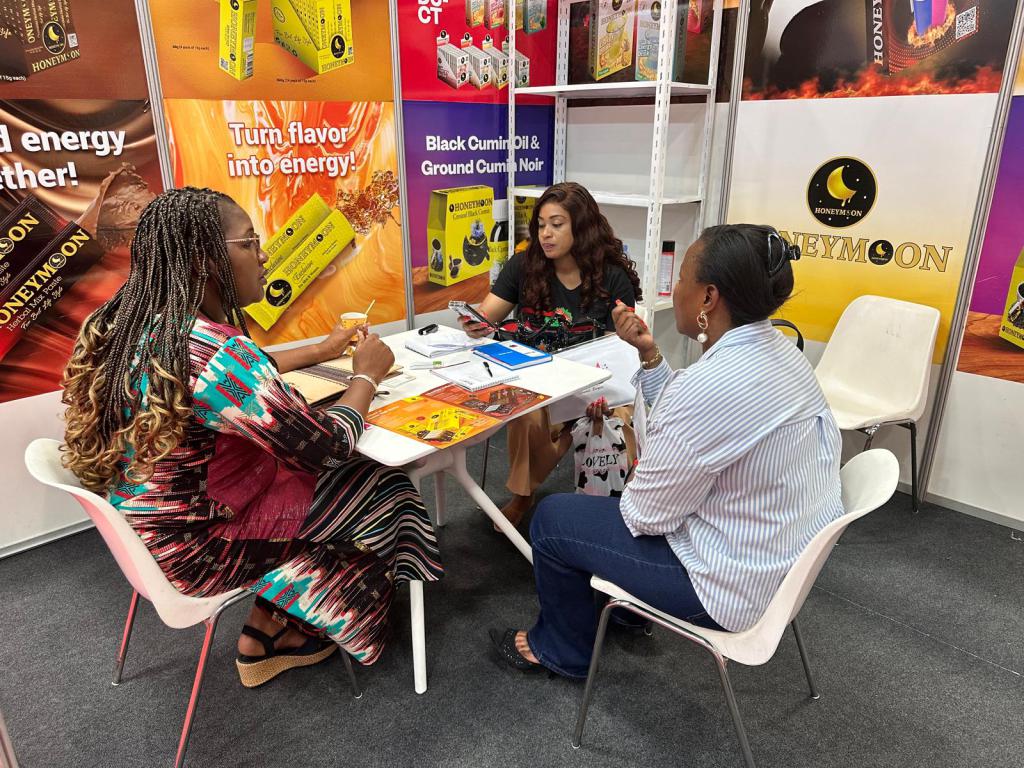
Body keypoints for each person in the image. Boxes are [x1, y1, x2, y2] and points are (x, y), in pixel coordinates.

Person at [62, 187, 443, 688]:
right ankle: (318, 613)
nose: (263, 257)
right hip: (204, 549)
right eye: (249, 243)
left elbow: (229, 374)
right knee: (384, 484)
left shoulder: (130, 323)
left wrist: (320, 351)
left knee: (316, 473)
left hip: (148, 530)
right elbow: (328, 447)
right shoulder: (214, 351)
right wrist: (366, 376)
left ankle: (274, 618)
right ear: (205, 260)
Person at [488, 224, 843, 678]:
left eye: (681, 279)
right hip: (777, 560)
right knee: (609, 504)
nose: (674, 290)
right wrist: (648, 354)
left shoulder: (712, 386)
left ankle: (561, 650)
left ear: (708, 298)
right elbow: (696, 417)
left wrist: (640, 472)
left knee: (553, 519)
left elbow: (645, 517)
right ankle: (625, 612)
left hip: (725, 588)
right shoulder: (783, 352)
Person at [460, 182, 642, 526]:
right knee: (524, 411)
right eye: (541, 225)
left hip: (593, 385)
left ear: (581, 227)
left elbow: (617, 353)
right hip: (539, 382)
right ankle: (523, 496)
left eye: (557, 225)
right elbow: (487, 316)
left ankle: (618, 503)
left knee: (619, 414)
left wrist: (601, 393)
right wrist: (476, 324)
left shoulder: (612, 278)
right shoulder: (524, 266)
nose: (546, 233)